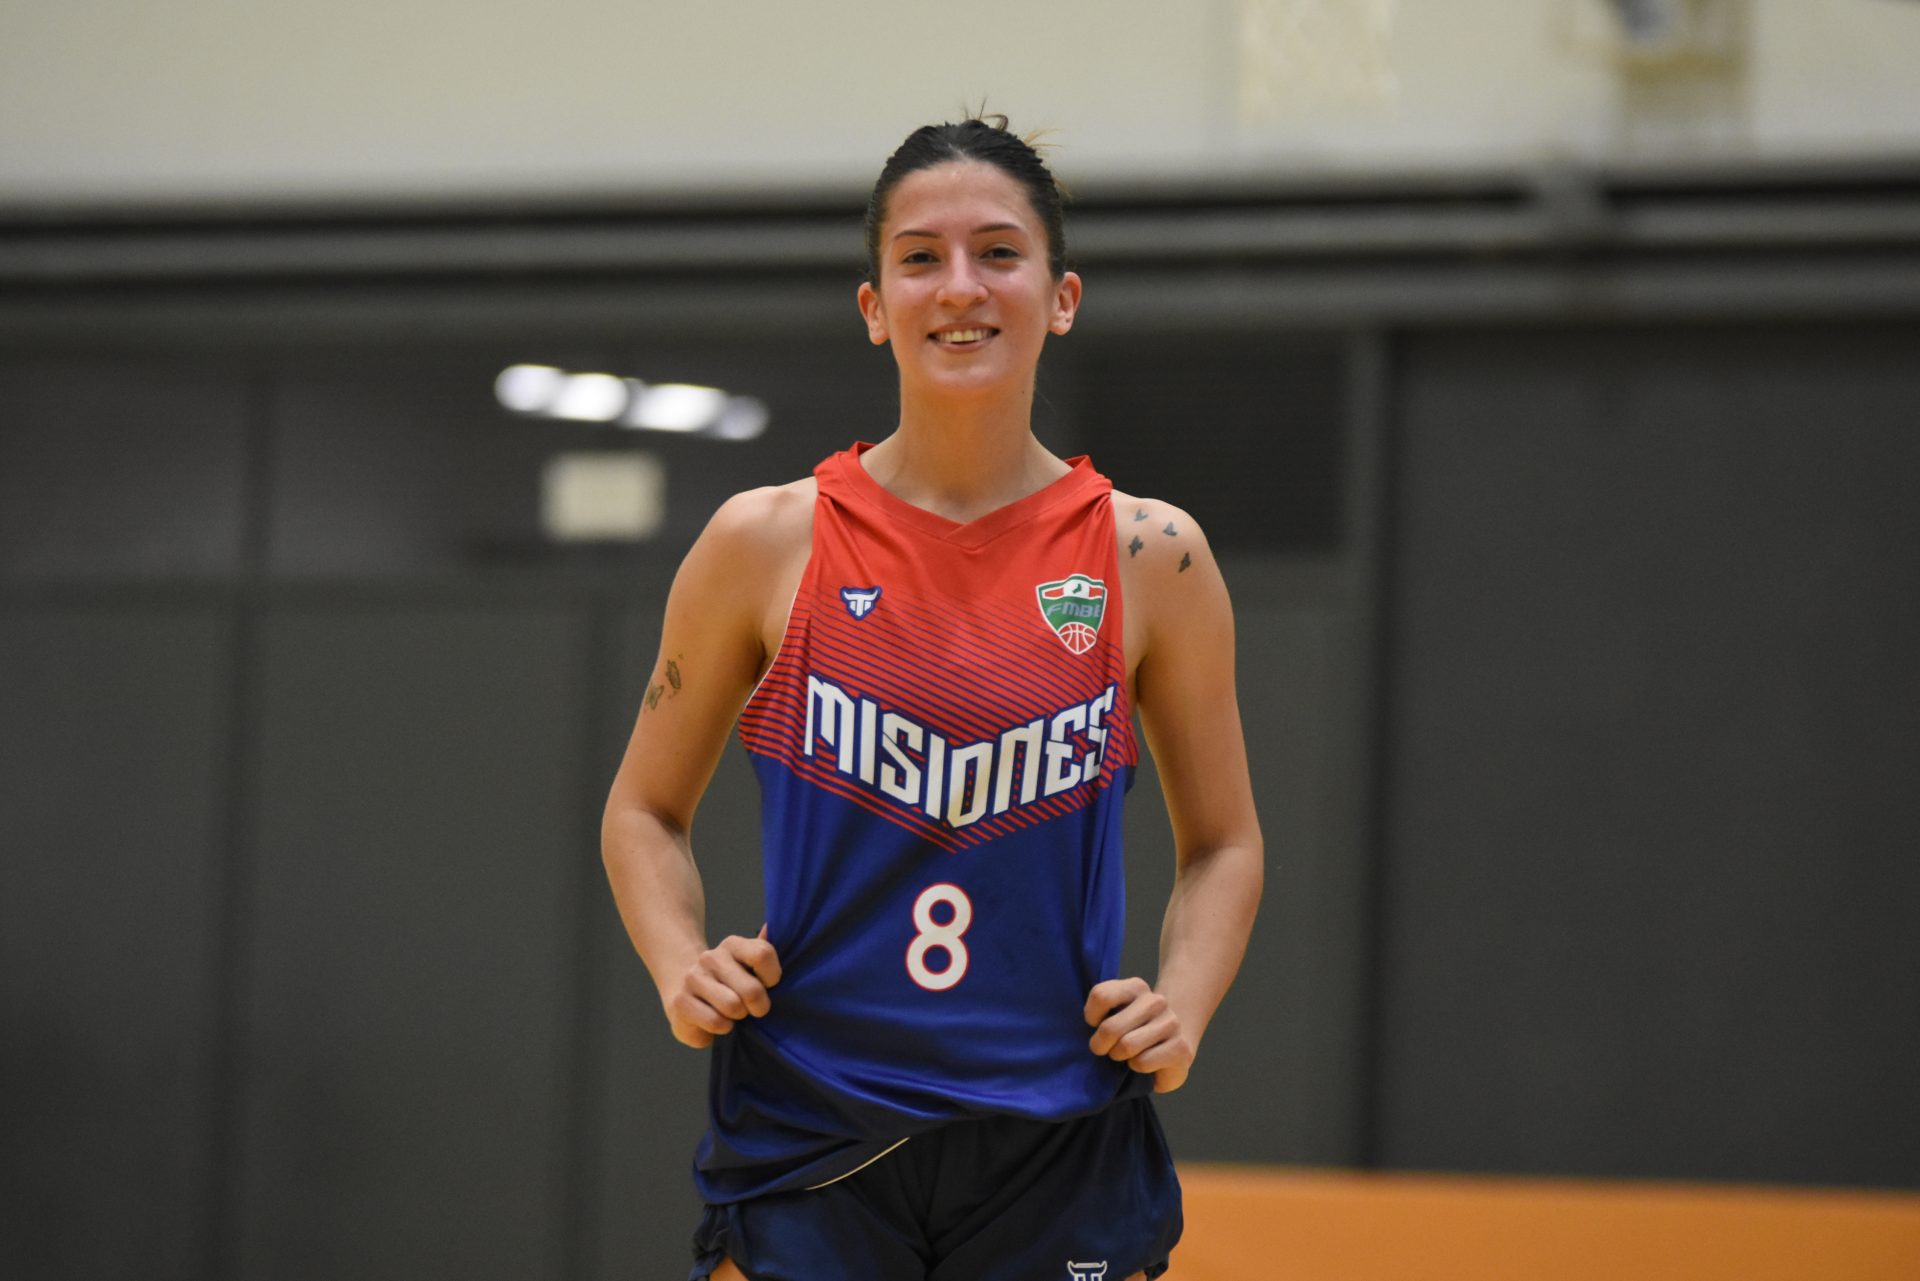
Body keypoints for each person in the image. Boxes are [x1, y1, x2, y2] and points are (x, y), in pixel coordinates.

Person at [602, 115, 1263, 1281]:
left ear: (1062, 296)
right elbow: (642, 812)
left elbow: (1225, 843)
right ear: (875, 307)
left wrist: (1186, 1008)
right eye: (920, 258)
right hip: (813, 1122)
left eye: (999, 253)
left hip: (1058, 1133)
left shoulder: (1151, 554)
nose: (960, 286)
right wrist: (677, 965)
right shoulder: (765, 542)